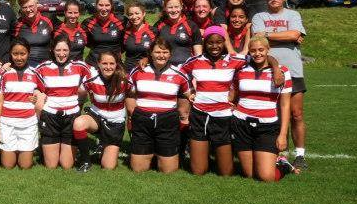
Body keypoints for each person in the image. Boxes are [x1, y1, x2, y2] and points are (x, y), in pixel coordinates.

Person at [251, 0, 308, 171]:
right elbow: (258, 39)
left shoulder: (294, 14)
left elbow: (295, 34)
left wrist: (268, 34)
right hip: (268, 71)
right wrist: (287, 35)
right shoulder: (259, 16)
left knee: (296, 114)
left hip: (293, 70)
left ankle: (300, 155)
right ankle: (279, 153)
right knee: (274, 114)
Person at [180, 27, 249, 177]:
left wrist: (275, 67)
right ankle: (205, 158)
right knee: (198, 172)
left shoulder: (233, 60)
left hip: (223, 116)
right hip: (200, 115)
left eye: (219, 42)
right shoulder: (195, 61)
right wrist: (189, 92)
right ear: (205, 43)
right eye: (211, 42)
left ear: (224, 42)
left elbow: (260, 59)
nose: (215, 46)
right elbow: (178, 72)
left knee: (226, 173)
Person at [125, 38, 190, 174]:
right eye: (157, 52)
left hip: (167, 121)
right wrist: (132, 116)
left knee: (168, 171)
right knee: (138, 169)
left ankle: (160, 153)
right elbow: (130, 95)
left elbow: (186, 97)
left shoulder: (180, 74)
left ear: (170, 54)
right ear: (150, 53)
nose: (161, 55)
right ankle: (151, 153)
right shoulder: (137, 71)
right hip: (143, 120)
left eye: (165, 52)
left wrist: (183, 117)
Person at [232, 34, 292, 181]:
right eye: (253, 50)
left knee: (266, 177)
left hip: (268, 126)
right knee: (250, 175)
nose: (257, 53)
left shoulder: (282, 72)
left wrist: (283, 134)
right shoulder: (241, 69)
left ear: (268, 50)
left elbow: (285, 105)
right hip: (242, 124)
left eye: (261, 50)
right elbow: (233, 94)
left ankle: (283, 164)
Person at [35, 36, 91, 170]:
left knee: (66, 166)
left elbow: (101, 71)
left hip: (71, 116)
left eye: (65, 50)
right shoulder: (42, 68)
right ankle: (46, 147)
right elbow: (27, 79)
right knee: (51, 166)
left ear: (70, 50)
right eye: (58, 50)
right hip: (50, 116)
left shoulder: (80, 66)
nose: (61, 54)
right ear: (52, 50)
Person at [73, 50, 129, 171]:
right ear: (98, 64)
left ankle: (103, 146)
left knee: (108, 166)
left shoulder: (125, 80)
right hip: (97, 118)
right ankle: (86, 162)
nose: (108, 67)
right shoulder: (91, 79)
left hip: (115, 123)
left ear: (116, 64)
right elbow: (79, 93)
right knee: (79, 123)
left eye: (111, 63)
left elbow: (136, 93)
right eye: (104, 63)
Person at [0, 38, 42, 169]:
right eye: (15, 54)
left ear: (29, 53)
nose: (19, 57)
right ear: (10, 53)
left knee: (25, 166)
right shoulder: (3, 73)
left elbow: (42, 92)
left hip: (28, 124)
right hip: (7, 123)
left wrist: (36, 96)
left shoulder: (35, 72)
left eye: (23, 53)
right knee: (8, 166)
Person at [154, 0, 202, 66]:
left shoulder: (191, 25)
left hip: (186, 67)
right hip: (165, 68)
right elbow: (153, 48)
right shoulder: (159, 25)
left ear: (181, 7)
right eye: (170, 7)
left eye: (176, 7)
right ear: (164, 8)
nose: (174, 10)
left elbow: (198, 53)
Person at [13, 0, 54, 67]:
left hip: (47, 66)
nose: (28, 10)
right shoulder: (17, 24)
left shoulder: (49, 20)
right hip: (26, 68)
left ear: (37, 4)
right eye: (24, 7)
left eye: (31, 6)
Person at [83, 0, 125, 66]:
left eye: (107, 5)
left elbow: (129, 40)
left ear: (111, 6)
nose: (104, 8)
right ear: (96, 5)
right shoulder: (88, 23)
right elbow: (86, 43)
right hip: (93, 64)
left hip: (115, 64)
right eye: (101, 5)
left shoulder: (122, 21)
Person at [121, 2, 155, 71]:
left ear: (143, 14)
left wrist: (147, 59)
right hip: (128, 71)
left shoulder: (154, 31)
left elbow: (159, 52)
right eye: (131, 14)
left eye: (137, 13)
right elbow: (118, 51)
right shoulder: (125, 32)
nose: (134, 17)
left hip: (147, 70)